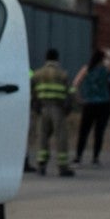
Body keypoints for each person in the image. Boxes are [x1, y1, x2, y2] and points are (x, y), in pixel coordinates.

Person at [30, 48, 74, 177]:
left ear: (46, 58)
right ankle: (63, 167)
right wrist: (68, 109)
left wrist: (36, 106)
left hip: (43, 109)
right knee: (61, 138)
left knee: (42, 136)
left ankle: (41, 165)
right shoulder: (62, 74)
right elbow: (69, 93)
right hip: (57, 109)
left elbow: (32, 93)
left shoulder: (37, 74)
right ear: (57, 59)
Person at [72, 48, 110, 167]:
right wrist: (109, 55)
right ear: (102, 59)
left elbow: (75, 84)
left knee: (84, 131)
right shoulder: (106, 69)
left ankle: (78, 157)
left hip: (89, 104)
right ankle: (95, 158)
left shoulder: (86, 69)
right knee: (99, 132)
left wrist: (79, 99)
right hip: (104, 104)